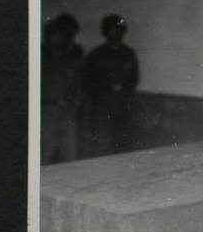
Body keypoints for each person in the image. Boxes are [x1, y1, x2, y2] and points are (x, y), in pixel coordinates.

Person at [82, 14, 139, 155]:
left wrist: (124, 91)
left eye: (119, 30)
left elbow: (134, 77)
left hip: (123, 104)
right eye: (111, 30)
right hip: (102, 105)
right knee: (102, 143)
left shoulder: (128, 53)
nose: (115, 34)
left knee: (123, 142)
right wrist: (106, 89)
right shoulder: (96, 54)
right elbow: (87, 80)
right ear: (105, 32)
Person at [41, 18, 81, 164]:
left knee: (70, 152)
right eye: (54, 35)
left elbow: (77, 85)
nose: (58, 39)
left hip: (67, 111)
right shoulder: (39, 56)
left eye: (61, 36)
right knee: (46, 152)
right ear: (48, 36)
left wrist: (74, 106)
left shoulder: (69, 57)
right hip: (46, 110)